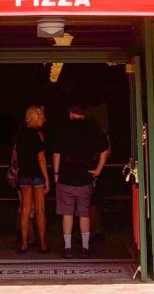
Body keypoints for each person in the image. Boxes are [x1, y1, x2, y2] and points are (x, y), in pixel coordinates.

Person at [52, 103, 109, 258]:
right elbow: (105, 150)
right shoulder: (93, 129)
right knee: (84, 214)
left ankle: (68, 248)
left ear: (71, 114)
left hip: (66, 178)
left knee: (67, 214)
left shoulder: (64, 130)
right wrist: (98, 169)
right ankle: (85, 248)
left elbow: (56, 154)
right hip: (85, 178)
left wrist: (56, 174)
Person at [14, 105, 50, 253]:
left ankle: (24, 244)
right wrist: (47, 178)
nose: (44, 120)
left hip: (24, 176)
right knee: (40, 210)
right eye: (42, 117)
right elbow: (41, 159)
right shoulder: (38, 135)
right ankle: (42, 244)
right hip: (37, 176)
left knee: (25, 210)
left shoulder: (20, 135)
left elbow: (16, 156)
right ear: (36, 118)